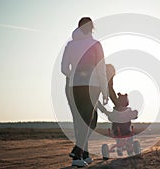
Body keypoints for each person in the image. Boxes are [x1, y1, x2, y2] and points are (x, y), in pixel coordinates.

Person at [61, 17, 109, 167]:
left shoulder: (70, 45)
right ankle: (77, 154)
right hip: (92, 86)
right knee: (88, 122)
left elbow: (63, 69)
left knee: (80, 121)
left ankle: (85, 154)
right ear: (92, 28)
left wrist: (74, 77)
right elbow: (101, 70)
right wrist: (105, 91)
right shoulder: (95, 45)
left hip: (73, 87)